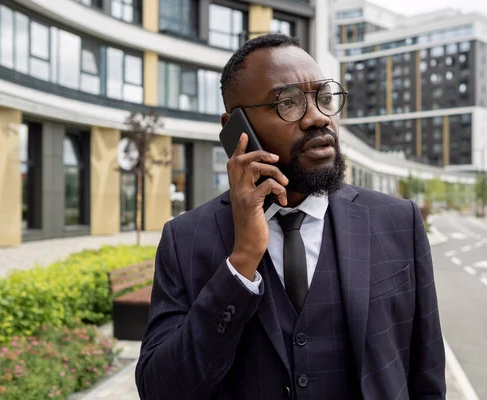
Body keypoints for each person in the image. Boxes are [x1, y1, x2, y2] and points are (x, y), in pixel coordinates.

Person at [135, 34, 445, 400]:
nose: (318, 118)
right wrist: (242, 261)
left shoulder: (397, 221)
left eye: (324, 98)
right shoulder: (185, 239)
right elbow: (161, 390)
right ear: (236, 127)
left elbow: (427, 378)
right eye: (288, 102)